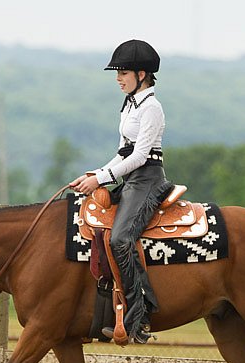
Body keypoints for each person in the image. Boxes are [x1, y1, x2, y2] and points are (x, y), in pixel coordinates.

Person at [69, 39, 173, 344]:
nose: (118, 77)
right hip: (130, 179)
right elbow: (122, 153)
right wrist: (96, 175)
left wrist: (103, 177)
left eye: (123, 72)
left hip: (148, 180)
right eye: (118, 72)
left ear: (142, 74)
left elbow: (140, 157)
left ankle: (139, 316)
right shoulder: (131, 106)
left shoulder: (151, 108)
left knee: (121, 238)